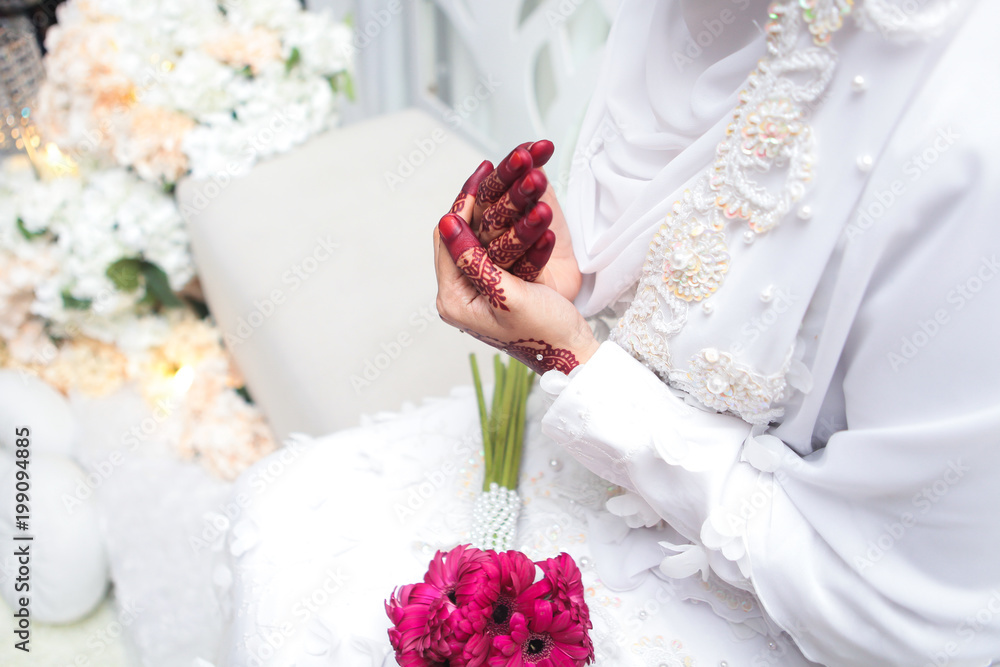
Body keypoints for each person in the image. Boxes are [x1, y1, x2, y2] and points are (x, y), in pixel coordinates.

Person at [215, 0, 1000, 664]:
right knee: (278, 511)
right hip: (622, 443)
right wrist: (569, 275)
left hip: (800, 591)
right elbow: (691, 255)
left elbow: (914, 608)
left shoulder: (968, 137)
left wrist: (575, 359)